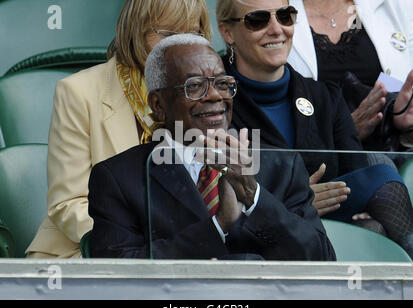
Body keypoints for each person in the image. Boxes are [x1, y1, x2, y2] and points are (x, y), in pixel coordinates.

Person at [88, 34, 336, 261]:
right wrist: (218, 225)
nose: (215, 96)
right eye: (195, 86)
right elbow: (119, 271)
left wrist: (254, 198)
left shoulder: (282, 165)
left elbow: (321, 260)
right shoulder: (119, 178)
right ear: (158, 104)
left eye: (222, 83)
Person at [216, 0, 413, 256]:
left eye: (285, 16)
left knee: (375, 213)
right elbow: (212, 197)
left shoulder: (325, 97)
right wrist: (298, 201)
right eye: (258, 20)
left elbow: (355, 172)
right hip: (252, 238)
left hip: (323, 230)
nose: (276, 29)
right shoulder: (215, 103)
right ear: (227, 32)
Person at [25, 0, 212, 259]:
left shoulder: (211, 93)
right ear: (136, 32)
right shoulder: (79, 92)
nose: (182, 47)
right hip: (89, 252)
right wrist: (146, 243)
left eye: (194, 35)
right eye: (168, 35)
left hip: (186, 251)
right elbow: (68, 204)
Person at [288, 0, 413, 153]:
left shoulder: (397, 5)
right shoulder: (270, 14)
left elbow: (402, 83)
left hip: (396, 159)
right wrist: (344, 131)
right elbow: (263, 124)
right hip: (317, 168)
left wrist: (397, 109)